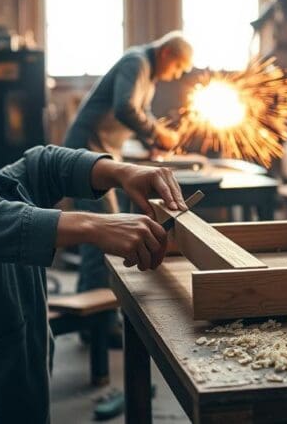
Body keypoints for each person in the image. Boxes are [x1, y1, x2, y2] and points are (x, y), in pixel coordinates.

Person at [0, 144, 186, 423]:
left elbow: (46, 162)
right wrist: (95, 226)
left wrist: (124, 172)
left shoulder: (12, 185)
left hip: (28, 372)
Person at [64, 31, 193, 308]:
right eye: (177, 69)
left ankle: (96, 312)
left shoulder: (150, 76)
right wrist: (158, 132)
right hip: (86, 151)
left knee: (103, 229)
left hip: (103, 152)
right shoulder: (136, 62)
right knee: (101, 233)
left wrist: (153, 140)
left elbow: (141, 113)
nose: (174, 75)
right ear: (167, 54)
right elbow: (125, 108)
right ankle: (97, 320)